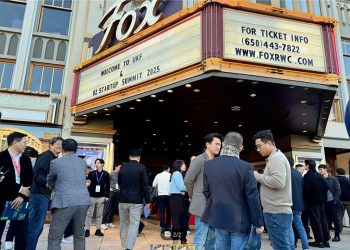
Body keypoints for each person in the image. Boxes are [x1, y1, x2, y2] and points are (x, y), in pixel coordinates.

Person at [202, 132, 264, 250]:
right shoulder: (245, 167)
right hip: (240, 220)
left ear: (223, 144)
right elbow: (252, 196)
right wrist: (258, 221)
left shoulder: (209, 165)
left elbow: (206, 191)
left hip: (218, 216)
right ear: (240, 148)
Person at [47, 139, 91, 250]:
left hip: (64, 201)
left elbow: (50, 180)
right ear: (76, 149)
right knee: (80, 235)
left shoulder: (56, 162)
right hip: (83, 201)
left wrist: (56, 187)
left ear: (62, 148)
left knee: (55, 236)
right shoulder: (82, 162)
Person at [253, 130, 293, 250]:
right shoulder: (275, 157)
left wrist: (257, 176)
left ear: (269, 142)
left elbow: (278, 182)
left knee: (280, 247)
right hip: (277, 212)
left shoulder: (276, 158)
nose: (258, 150)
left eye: (259, 146)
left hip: (276, 212)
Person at [184, 133, 222, 250]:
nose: (219, 147)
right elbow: (188, 180)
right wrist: (194, 196)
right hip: (201, 205)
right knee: (200, 238)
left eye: (220, 145)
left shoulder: (217, 161)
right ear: (207, 144)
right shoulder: (200, 160)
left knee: (212, 238)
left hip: (214, 205)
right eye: (216, 144)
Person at [26, 137, 63, 250]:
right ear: (51, 145)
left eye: (62, 145)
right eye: (58, 144)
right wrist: (47, 183)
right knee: (35, 227)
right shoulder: (46, 156)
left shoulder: (53, 158)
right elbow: (38, 174)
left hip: (43, 195)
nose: (60, 147)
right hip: (38, 194)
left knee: (38, 227)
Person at [0, 132, 33, 250]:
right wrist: (19, 188)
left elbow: (29, 180)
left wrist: (21, 196)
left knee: (22, 234)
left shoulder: (26, 159)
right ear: (15, 142)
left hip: (21, 200)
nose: (26, 145)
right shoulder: (1, 157)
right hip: (2, 199)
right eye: (24, 142)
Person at [118, 149, 151, 250]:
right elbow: (145, 185)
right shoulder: (141, 168)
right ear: (139, 157)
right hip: (136, 200)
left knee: (123, 224)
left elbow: (119, 182)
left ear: (129, 157)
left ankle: (124, 247)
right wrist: (148, 200)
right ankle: (128, 248)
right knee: (134, 224)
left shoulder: (122, 167)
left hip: (122, 199)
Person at [303, 160, 330, 248]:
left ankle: (319, 241)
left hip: (312, 202)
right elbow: (326, 187)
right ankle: (326, 241)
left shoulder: (307, 176)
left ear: (307, 165)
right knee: (323, 220)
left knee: (315, 221)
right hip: (321, 202)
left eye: (305, 164)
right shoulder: (319, 175)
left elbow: (305, 190)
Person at [286, 156, 309, 250]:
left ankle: (292, 247)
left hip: (289, 204)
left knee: (289, 227)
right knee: (300, 226)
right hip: (299, 204)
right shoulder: (298, 174)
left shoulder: (286, 173)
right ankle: (305, 246)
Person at [85, 158, 110, 237]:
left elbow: (108, 185)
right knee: (89, 214)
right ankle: (87, 229)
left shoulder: (106, 174)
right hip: (91, 196)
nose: (96, 164)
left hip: (101, 197)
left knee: (99, 214)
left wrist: (107, 196)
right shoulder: (91, 173)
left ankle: (98, 230)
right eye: (96, 163)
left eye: (98, 163)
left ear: (102, 164)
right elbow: (88, 184)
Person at [318, 164, 341, 242]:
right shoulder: (319, 179)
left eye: (321, 169)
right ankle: (327, 236)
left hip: (332, 202)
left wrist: (335, 200)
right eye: (319, 169)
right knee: (325, 220)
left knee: (335, 219)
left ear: (325, 169)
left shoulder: (333, 179)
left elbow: (338, 190)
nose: (320, 171)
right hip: (323, 203)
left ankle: (337, 235)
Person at [169, 160, 188, 244]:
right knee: (177, 222)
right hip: (177, 199)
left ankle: (175, 243)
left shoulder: (175, 174)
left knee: (176, 221)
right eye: (183, 164)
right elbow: (182, 187)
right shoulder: (178, 173)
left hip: (175, 199)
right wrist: (191, 188)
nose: (185, 166)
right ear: (179, 165)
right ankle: (175, 244)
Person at [152, 163, 171, 234]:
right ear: (168, 168)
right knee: (169, 211)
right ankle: (168, 225)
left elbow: (153, 184)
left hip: (161, 196)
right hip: (169, 196)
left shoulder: (158, 175)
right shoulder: (170, 175)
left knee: (162, 212)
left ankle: (163, 227)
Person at [102, 163, 121, 229]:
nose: (120, 169)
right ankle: (103, 223)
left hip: (117, 193)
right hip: (111, 192)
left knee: (113, 208)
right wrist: (108, 188)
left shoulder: (120, 175)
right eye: (119, 167)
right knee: (107, 207)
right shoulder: (111, 174)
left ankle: (109, 222)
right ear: (116, 167)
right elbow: (105, 182)